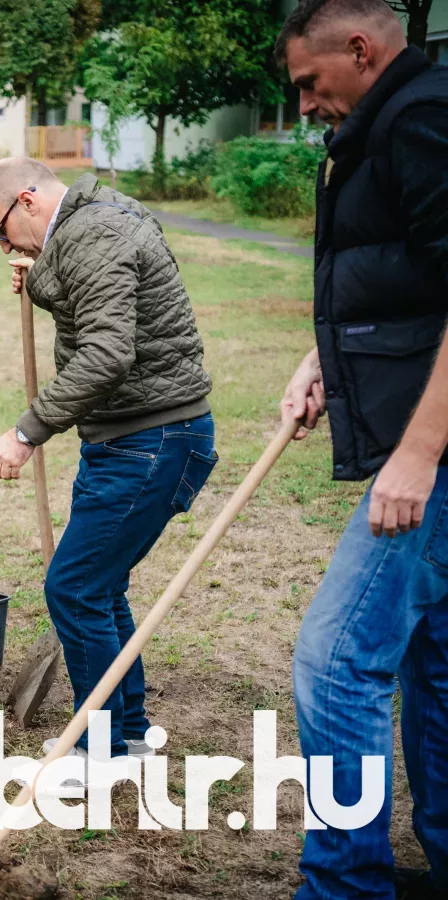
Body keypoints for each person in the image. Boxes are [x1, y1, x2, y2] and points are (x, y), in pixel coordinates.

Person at [276, 1, 448, 896]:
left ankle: (343, 887)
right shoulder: (383, 130)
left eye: (310, 83)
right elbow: (410, 284)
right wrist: (325, 363)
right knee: (437, 658)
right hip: (426, 434)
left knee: (337, 662)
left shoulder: (421, 120)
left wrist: (419, 454)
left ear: (361, 48)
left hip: (438, 455)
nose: (304, 104)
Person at [0, 158, 216, 764]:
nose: (3, 247)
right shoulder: (89, 227)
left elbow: (108, 353)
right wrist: (43, 277)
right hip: (133, 434)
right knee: (101, 587)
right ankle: (126, 732)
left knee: (75, 587)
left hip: (151, 439)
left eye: (0, 232)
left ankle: (98, 750)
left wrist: (26, 433)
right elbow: (94, 302)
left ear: (26, 201)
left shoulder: (93, 234)